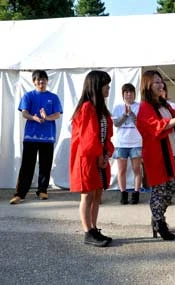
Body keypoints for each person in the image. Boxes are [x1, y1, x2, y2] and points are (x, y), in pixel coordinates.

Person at [136, 70, 175, 240]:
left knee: (172, 186)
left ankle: (157, 218)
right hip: (158, 153)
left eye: (161, 81)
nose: (160, 84)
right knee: (160, 189)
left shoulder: (165, 105)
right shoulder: (145, 107)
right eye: (156, 82)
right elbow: (154, 127)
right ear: (148, 85)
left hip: (173, 150)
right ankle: (159, 222)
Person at [69, 70, 114, 247]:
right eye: (105, 85)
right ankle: (88, 231)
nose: (108, 88)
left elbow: (106, 136)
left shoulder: (101, 109)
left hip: (98, 157)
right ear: (96, 86)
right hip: (87, 159)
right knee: (87, 196)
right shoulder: (87, 107)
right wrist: (98, 157)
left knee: (97, 194)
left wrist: (106, 154)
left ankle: (94, 228)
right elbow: (88, 138)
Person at [10, 70, 63, 205]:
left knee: (45, 165)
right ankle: (20, 193)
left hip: (48, 137)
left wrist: (47, 117)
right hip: (31, 137)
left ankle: (42, 190)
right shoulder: (28, 96)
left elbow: (57, 114)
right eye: (38, 80)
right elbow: (24, 112)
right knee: (27, 166)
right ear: (34, 81)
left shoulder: (53, 97)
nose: (41, 82)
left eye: (44, 79)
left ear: (47, 81)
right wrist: (34, 117)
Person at [112, 83, 142, 205]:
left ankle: (136, 193)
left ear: (134, 94)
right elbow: (116, 123)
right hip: (121, 143)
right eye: (126, 92)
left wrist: (132, 114)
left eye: (131, 92)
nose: (129, 94)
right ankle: (123, 193)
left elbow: (140, 123)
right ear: (123, 94)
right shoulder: (118, 107)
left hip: (136, 142)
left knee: (136, 169)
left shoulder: (139, 106)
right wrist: (125, 115)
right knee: (122, 169)